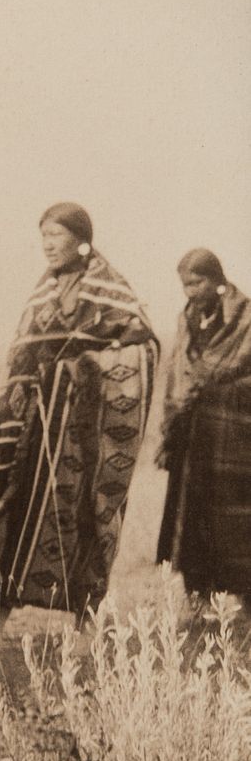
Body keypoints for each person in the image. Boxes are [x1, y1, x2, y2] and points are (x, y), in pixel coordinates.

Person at [0, 202, 158, 620]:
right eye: (43, 236)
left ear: (82, 239)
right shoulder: (42, 295)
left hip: (89, 439)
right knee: (13, 511)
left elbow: (143, 352)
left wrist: (82, 371)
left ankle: (85, 622)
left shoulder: (112, 293)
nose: (47, 245)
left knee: (89, 515)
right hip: (34, 434)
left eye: (55, 235)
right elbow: (22, 356)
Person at [156, 248, 251, 605]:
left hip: (235, 437)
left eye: (197, 283)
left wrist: (221, 390)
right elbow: (178, 371)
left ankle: (244, 597)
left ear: (217, 280)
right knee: (192, 513)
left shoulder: (246, 316)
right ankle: (198, 593)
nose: (191, 291)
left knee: (235, 518)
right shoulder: (188, 318)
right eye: (185, 285)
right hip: (194, 436)